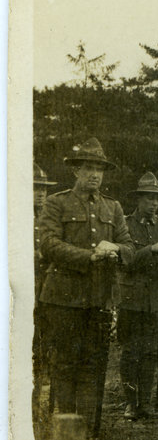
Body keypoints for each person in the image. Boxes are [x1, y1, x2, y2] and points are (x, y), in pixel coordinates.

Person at [37, 138, 135, 437]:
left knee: (93, 364)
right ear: (75, 171)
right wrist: (89, 256)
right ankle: (66, 433)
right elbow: (48, 244)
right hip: (63, 297)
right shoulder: (57, 202)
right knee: (65, 363)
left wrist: (115, 248)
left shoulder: (113, 206)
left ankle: (88, 432)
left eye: (100, 169)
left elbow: (130, 248)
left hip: (99, 297)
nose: (95, 175)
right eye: (89, 168)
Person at [118, 172, 158, 420]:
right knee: (130, 351)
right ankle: (130, 403)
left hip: (156, 299)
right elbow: (126, 262)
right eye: (149, 198)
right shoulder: (126, 225)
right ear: (138, 199)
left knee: (151, 351)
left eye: (157, 199)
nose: (153, 203)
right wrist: (151, 249)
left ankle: (146, 403)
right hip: (131, 299)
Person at [32, 163, 58, 425]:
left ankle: (43, 407)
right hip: (22, 290)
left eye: (42, 189)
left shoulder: (50, 218)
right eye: (34, 189)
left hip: (47, 290)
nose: (39, 194)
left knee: (46, 347)